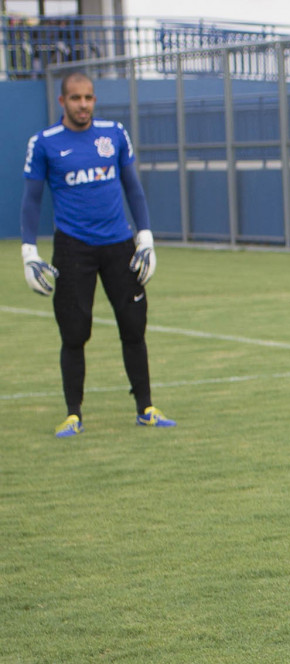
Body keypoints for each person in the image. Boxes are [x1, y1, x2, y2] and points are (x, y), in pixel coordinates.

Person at [21, 71, 175, 438]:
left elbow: (133, 188)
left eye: (89, 97)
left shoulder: (114, 134)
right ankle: (74, 415)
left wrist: (146, 238)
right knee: (74, 333)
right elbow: (31, 199)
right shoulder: (44, 143)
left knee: (134, 326)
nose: (84, 105)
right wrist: (29, 252)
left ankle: (146, 408)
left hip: (119, 245)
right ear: (62, 102)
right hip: (73, 248)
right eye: (76, 98)